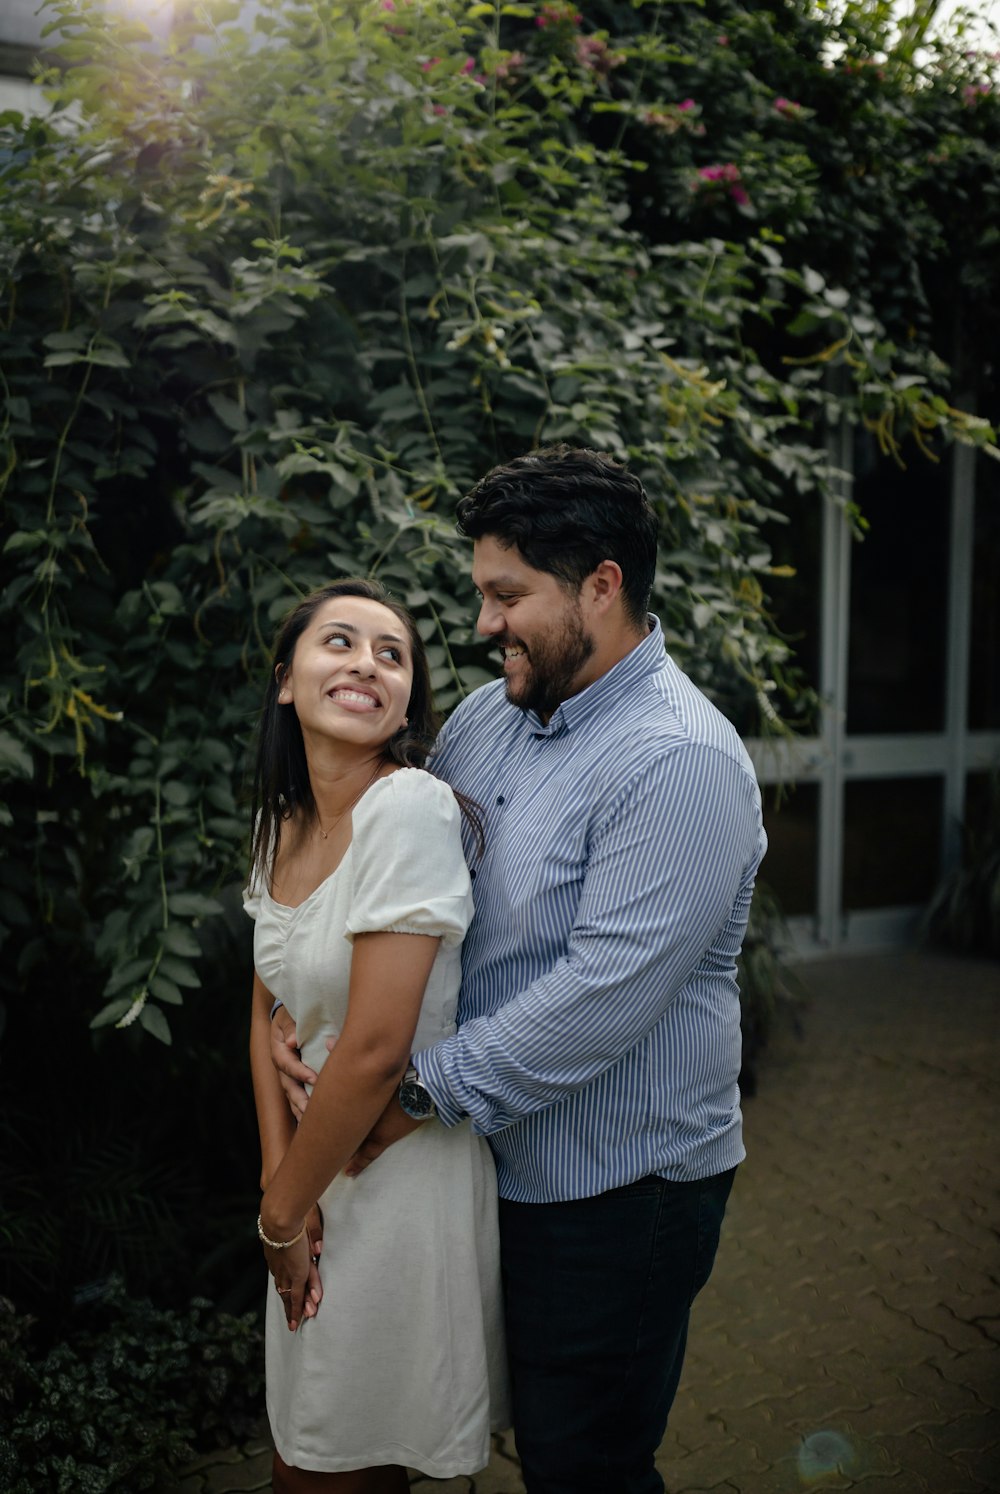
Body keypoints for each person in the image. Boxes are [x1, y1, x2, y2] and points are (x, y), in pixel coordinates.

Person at [272, 447, 767, 1494]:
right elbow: (398, 892)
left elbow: (599, 997)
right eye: (481, 594)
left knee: (582, 1462)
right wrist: (295, 994)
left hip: (616, 1188)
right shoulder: (491, 718)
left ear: (601, 583)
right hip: (485, 1161)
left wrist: (404, 1094)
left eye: (508, 596)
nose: (485, 624)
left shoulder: (679, 760)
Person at [244, 578, 508, 1494]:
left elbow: (373, 1050)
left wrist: (282, 1218)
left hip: (393, 1180)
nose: (366, 663)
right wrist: (283, 1194)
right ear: (287, 681)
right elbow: (263, 1010)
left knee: (324, 1465)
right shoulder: (281, 824)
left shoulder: (409, 809)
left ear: (404, 699)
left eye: (391, 654)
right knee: (317, 1451)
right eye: (341, 643)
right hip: (314, 1183)